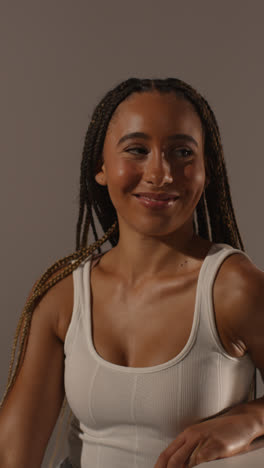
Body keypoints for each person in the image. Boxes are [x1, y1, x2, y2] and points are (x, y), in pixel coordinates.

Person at [0, 77, 264, 468]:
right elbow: (12, 454)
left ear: (207, 170)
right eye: (137, 150)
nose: (161, 173)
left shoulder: (232, 288)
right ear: (101, 168)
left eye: (182, 152)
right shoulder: (65, 298)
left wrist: (250, 421)